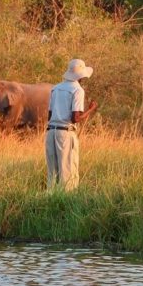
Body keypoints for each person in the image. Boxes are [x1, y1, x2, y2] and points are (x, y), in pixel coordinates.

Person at [45, 58, 98, 191]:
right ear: (81, 76)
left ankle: (52, 198)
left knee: (53, 173)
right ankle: (67, 201)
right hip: (65, 133)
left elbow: (49, 116)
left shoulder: (55, 88)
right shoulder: (77, 90)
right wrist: (90, 109)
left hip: (51, 132)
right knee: (68, 171)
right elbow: (75, 118)